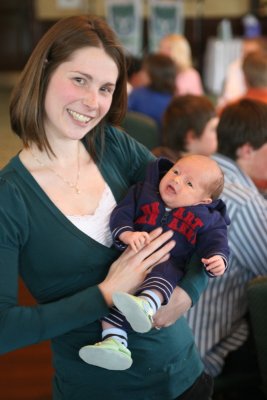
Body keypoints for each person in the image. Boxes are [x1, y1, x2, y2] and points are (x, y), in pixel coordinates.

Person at [0, 15, 214, 400]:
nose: (92, 102)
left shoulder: (112, 145)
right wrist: (105, 294)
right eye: (79, 79)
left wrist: (188, 293)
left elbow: (204, 215)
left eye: (105, 88)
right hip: (98, 390)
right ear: (45, 71)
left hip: (184, 376)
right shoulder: (10, 196)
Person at [79, 154, 230, 370]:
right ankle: (114, 343)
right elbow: (122, 214)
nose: (177, 180)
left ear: (204, 200)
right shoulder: (142, 192)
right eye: (176, 171)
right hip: (127, 263)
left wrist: (218, 259)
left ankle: (147, 304)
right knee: (113, 301)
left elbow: (217, 240)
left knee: (164, 273)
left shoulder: (207, 217)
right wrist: (127, 235)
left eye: (189, 183)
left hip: (168, 262)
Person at [184, 99, 267, 378]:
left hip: (159, 332)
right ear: (247, 149)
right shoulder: (245, 204)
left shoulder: (192, 173)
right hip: (198, 350)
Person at [152, 94, 218, 163]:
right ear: (191, 137)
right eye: (213, 129)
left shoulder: (161, 157)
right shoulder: (170, 170)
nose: (218, 134)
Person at [127, 52, 176, 131]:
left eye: (143, 70)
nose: (140, 73)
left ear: (154, 74)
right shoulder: (175, 101)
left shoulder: (137, 95)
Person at [217, 37, 266, 109]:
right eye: (243, 52)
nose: (245, 56)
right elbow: (230, 97)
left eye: (250, 53)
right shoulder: (236, 66)